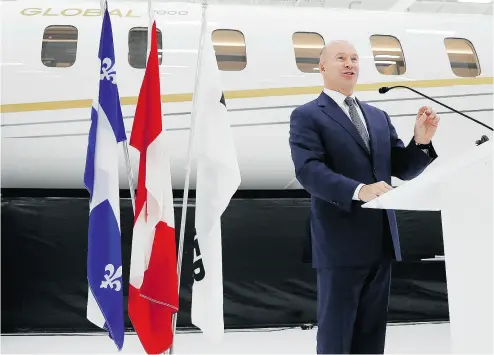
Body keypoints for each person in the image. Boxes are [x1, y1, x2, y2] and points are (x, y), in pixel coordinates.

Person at [288, 40, 439, 354]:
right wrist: (358, 190)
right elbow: (309, 170)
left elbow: (402, 168)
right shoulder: (307, 115)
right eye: (341, 58)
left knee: (371, 334)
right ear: (322, 67)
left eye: (355, 58)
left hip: (380, 241)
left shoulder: (378, 116)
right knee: (337, 333)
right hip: (339, 243)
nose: (349, 64)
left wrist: (421, 142)